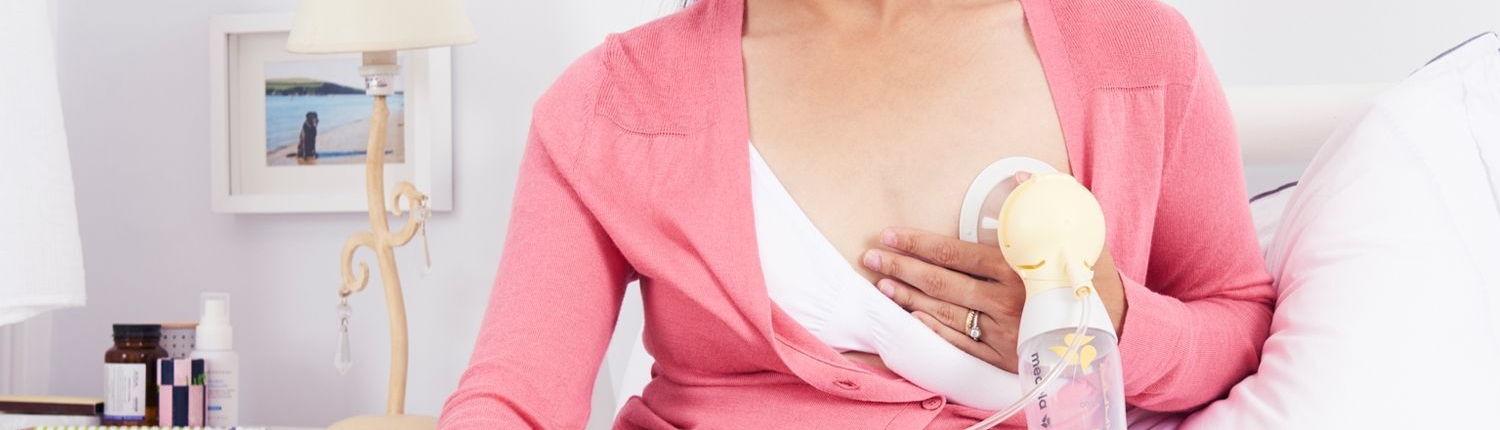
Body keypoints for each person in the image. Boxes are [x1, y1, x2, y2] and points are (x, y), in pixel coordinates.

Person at [439, 0, 1275, 428]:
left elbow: (1237, 320)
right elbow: (514, 399)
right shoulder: (615, 102)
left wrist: (1108, 322)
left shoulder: (1135, 54)